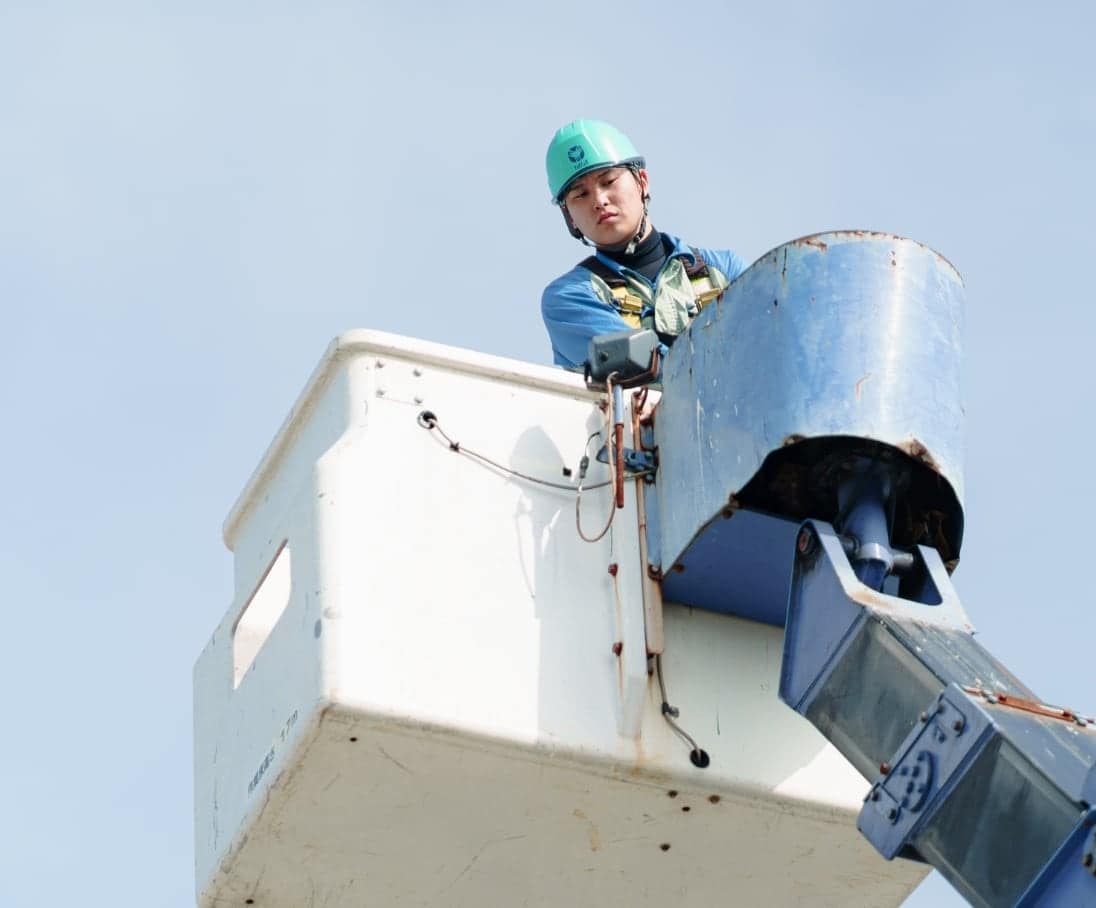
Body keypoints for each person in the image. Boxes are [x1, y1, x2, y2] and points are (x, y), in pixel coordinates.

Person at [541, 119, 749, 371]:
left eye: (608, 181)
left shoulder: (723, 272)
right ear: (569, 216)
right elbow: (661, 371)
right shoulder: (569, 297)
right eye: (580, 194)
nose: (599, 200)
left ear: (642, 181)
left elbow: (768, 341)